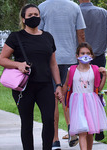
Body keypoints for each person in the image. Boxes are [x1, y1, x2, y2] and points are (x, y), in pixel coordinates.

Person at [0, 4, 63, 150]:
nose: (34, 17)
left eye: (36, 14)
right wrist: (18, 65)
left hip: (45, 85)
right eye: (30, 15)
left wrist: (58, 85)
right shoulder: (16, 37)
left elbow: (53, 64)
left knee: (49, 119)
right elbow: (2, 59)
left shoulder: (48, 37)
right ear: (23, 19)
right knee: (27, 122)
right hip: (24, 86)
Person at [38, 0, 86, 149]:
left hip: (50, 60)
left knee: (52, 99)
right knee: (69, 96)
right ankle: (72, 128)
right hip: (71, 59)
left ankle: (55, 139)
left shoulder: (42, 7)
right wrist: (82, 57)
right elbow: (81, 34)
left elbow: (38, 34)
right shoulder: (74, 6)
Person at [63, 42, 107, 150]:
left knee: (89, 132)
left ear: (92, 56)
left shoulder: (95, 70)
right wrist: (60, 93)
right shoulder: (72, 70)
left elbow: (99, 88)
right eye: (82, 53)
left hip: (91, 103)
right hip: (77, 103)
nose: (85, 55)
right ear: (77, 56)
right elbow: (66, 85)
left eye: (88, 53)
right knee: (82, 131)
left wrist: (105, 76)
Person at [79, 0, 107, 141]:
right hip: (98, 56)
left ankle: (82, 126)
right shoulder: (103, 13)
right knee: (96, 92)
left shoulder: (76, 12)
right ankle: (99, 128)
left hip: (79, 58)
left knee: (80, 94)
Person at [79, 0, 107, 68]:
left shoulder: (75, 12)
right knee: (99, 78)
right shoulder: (102, 12)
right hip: (98, 55)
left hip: (79, 56)